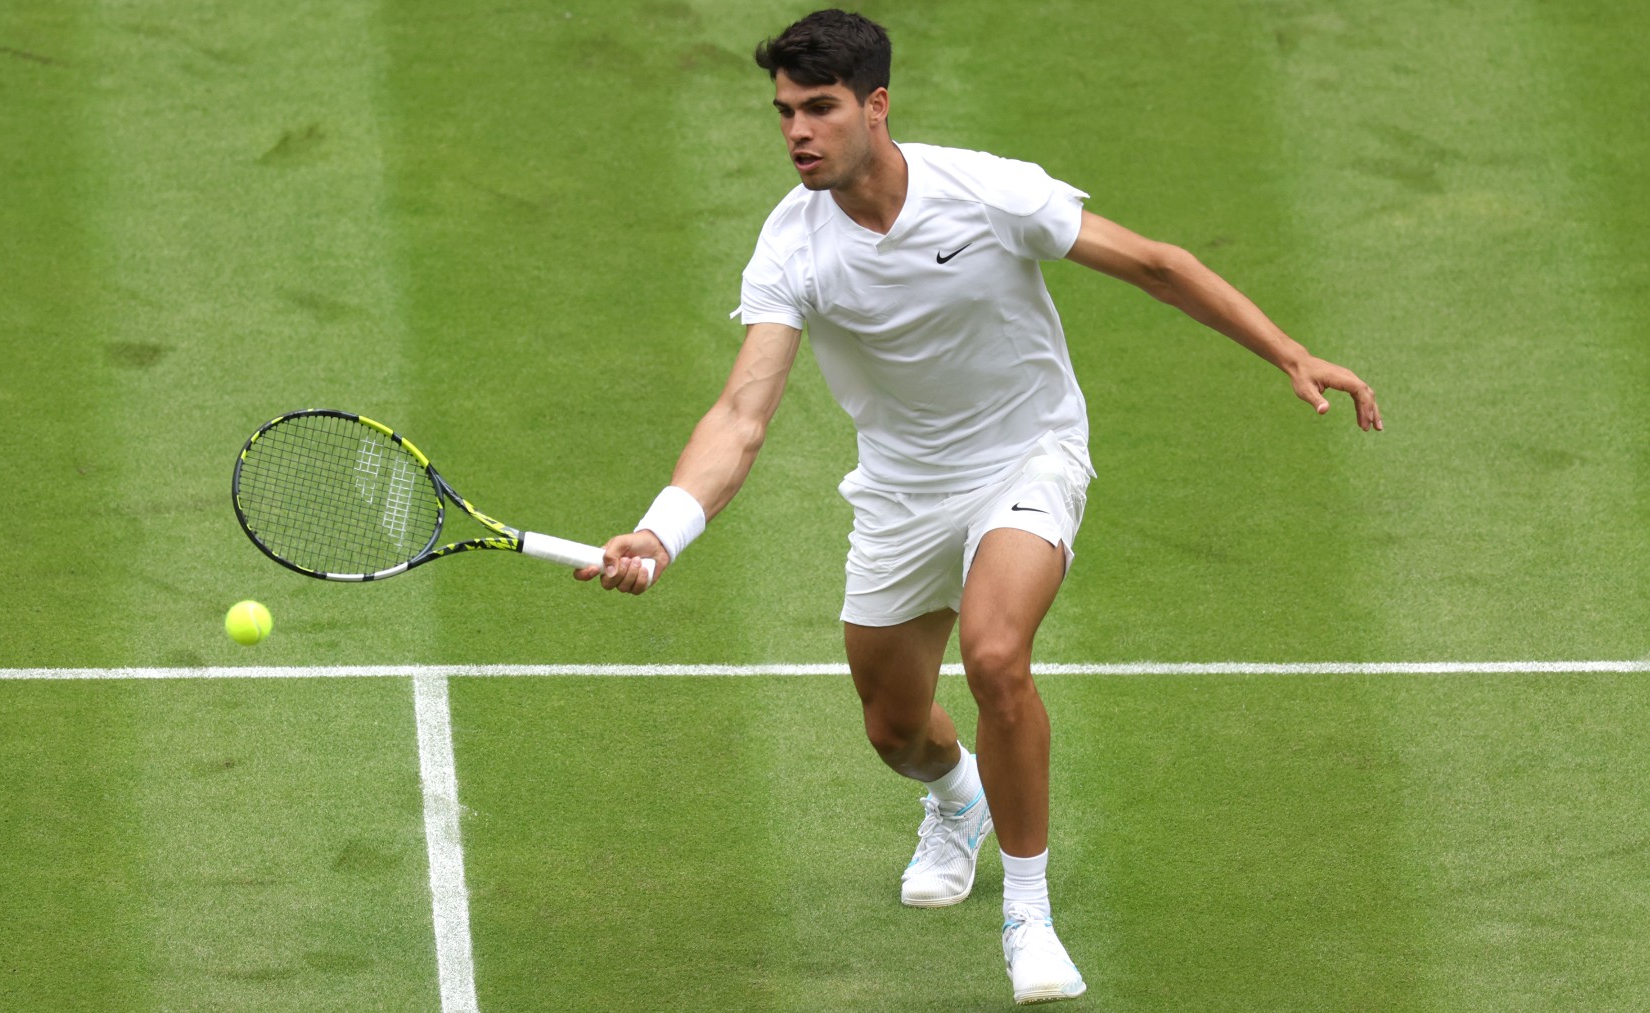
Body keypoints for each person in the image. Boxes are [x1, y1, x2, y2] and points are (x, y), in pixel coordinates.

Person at [577, 8, 1381, 1004]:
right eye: (784, 110)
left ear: (876, 106)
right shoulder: (792, 246)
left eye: (819, 108)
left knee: (998, 653)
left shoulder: (988, 192)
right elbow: (742, 415)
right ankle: (956, 799)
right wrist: (663, 527)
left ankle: (1028, 911)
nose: (796, 130)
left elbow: (1156, 265)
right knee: (894, 728)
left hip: (1027, 450)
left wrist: (1289, 352)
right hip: (903, 487)